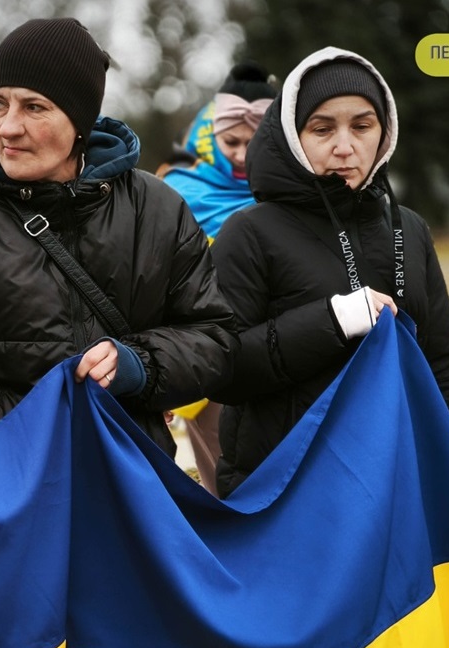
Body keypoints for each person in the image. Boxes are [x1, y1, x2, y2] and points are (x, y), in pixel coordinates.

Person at [0, 17, 235, 456]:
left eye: (34, 107)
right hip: (1, 492)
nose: (7, 127)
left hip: (130, 485)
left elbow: (215, 339)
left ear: (80, 120)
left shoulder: (158, 209)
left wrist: (139, 365)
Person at [209, 46, 449, 498]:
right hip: (287, 490)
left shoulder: (410, 229)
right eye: (322, 129)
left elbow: (444, 369)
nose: (345, 146)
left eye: (362, 126)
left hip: (396, 483)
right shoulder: (249, 232)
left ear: (385, 131)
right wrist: (332, 321)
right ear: (292, 137)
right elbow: (225, 368)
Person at [159, 61, 276, 493]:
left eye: (255, 141)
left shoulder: (289, 191)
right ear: (209, 134)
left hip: (273, 360)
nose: (243, 155)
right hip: (203, 369)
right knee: (222, 487)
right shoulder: (177, 192)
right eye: (231, 141)